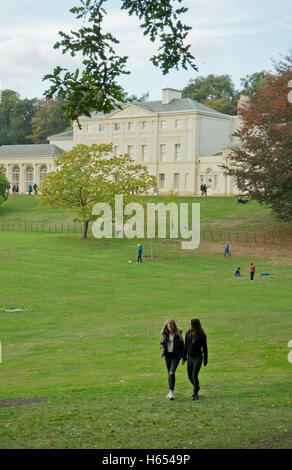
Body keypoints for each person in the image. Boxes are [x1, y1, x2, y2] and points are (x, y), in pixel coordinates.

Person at [182, 318, 208, 400]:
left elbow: (205, 348)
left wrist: (205, 359)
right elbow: (185, 346)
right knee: (189, 376)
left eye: (190, 324)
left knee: (194, 375)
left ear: (195, 325)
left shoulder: (202, 334)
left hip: (198, 358)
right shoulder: (188, 333)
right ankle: (196, 387)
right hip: (190, 358)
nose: (189, 326)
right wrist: (184, 358)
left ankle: (195, 393)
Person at [160, 319, 184, 400]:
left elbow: (182, 346)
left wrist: (184, 358)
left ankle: (171, 392)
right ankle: (170, 392)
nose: (170, 328)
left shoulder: (178, 333)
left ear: (174, 326)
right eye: (168, 327)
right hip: (167, 355)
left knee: (171, 372)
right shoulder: (164, 333)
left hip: (176, 356)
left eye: (171, 326)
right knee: (169, 374)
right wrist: (161, 346)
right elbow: (161, 343)